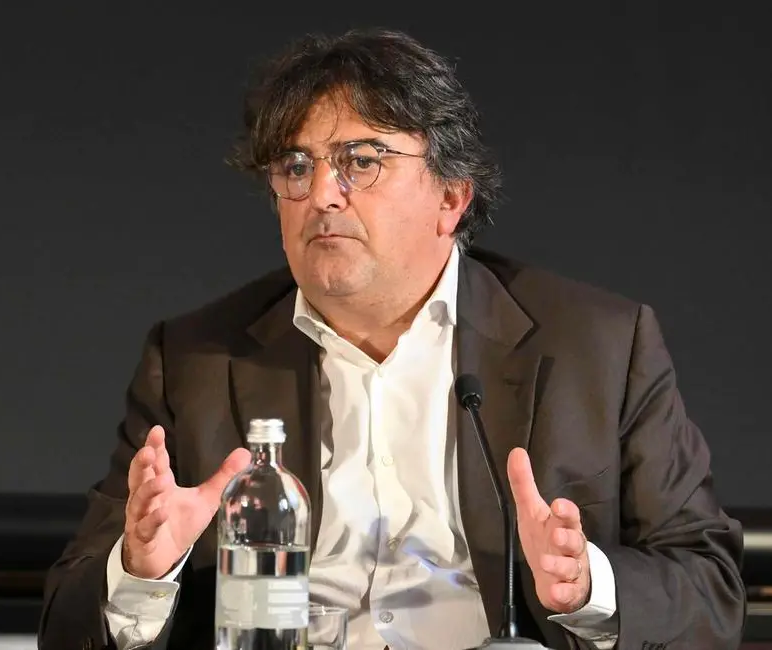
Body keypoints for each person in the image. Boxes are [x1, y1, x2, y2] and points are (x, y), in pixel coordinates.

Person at [38, 27, 746, 650]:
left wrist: (587, 585)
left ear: (452, 198)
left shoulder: (598, 347)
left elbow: (710, 592)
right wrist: (143, 570)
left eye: (362, 160)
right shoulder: (197, 359)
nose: (322, 195)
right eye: (297, 167)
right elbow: (67, 623)